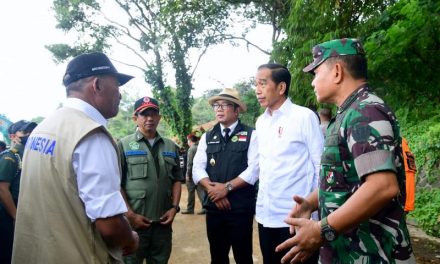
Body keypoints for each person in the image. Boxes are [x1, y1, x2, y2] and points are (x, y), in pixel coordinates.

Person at [276, 38, 415, 263]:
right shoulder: (348, 113)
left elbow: (382, 187)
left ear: (337, 72)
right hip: (349, 251)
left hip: (372, 254)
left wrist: (322, 230)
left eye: (316, 73)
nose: (313, 82)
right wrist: (313, 202)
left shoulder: (365, 111)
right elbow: (345, 179)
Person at [12, 52, 139, 263]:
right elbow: (110, 225)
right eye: (116, 85)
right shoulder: (91, 135)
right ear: (97, 85)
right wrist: (131, 239)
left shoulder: (43, 128)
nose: (120, 95)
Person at [254, 63, 323, 264]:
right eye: (255, 84)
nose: (257, 90)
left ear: (281, 87)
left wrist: (316, 210)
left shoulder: (304, 117)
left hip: (296, 219)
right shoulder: (261, 122)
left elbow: (321, 166)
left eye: (263, 83)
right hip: (266, 216)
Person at [192, 88, 259, 264]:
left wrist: (226, 188)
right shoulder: (207, 136)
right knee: (218, 257)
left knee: (243, 256)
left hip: (240, 209)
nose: (219, 109)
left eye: (225, 105)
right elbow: (197, 168)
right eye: (216, 105)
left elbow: (254, 169)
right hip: (214, 208)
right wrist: (213, 191)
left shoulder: (252, 135)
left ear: (237, 110)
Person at [118, 96, 184, 264]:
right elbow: (115, 184)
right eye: (144, 114)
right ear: (135, 118)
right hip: (135, 224)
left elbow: (177, 179)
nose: (149, 118)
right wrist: (130, 215)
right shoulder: (123, 145)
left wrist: (174, 208)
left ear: (159, 117)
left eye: (153, 114)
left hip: (162, 223)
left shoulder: (170, 146)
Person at [0, 120, 36, 263]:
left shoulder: (31, 155)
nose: (29, 135)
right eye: (25, 132)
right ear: (13, 136)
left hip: (25, 212)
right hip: (8, 214)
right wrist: (16, 216)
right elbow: (2, 189)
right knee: (8, 253)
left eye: (31, 132)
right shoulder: (11, 157)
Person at [181, 131, 206, 215]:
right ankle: (205, 207)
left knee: (191, 192)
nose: (187, 142)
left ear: (190, 140)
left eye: (187, 141)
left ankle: (190, 209)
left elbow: (190, 163)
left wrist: (188, 175)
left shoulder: (191, 149)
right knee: (201, 191)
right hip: (200, 174)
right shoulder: (200, 147)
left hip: (192, 174)